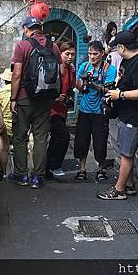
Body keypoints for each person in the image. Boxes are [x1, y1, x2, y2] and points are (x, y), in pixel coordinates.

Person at [98, 30, 138, 200]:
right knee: (124, 150)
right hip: (125, 112)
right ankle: (129, 185)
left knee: (126, 154)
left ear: (123, 47)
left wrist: (120, 95)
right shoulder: (128, 60)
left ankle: (119, 190)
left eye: (117, 48)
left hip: (135, 115)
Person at [8, 16, 61, 189]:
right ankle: (37, 177)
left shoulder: (22, 46)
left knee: (20, 137)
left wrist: (13, 98)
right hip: (45, 99)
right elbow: (59, 71)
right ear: (40, 28)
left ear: (26, 29)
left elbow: (16, 74)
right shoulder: (53, 46)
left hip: (24, 98)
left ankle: (21, 174)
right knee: (40, 139)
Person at [74, 40, 117, 181]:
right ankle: (81, 168)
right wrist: (81, 84)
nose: (92, 57)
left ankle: (101, 168)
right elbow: (79, 86)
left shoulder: (109, 69)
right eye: (89, 54)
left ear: (102, 54)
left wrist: (92, 84)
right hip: (85, 109)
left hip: (100, 110)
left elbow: (109, 90)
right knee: (81, 140)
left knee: (100, 140)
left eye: (95, 54)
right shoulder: (84, 67)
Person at [46, 42, 77, 178]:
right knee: (63, 136)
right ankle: (54, 165)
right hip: (50, 109)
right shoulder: (53, 69)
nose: (70, 57)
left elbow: (72, 87)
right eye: (67, 54)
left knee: (55, 139)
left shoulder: (71, 70)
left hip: (62, 109)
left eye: (72, 54)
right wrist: (54, 99)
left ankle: (48, 169)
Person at [0, 69, 13, 179]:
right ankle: (21, 171)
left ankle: (4, 172)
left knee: (4, 149)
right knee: (21, 147)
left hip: (3, 125)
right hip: (17, 123)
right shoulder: (19, 92)